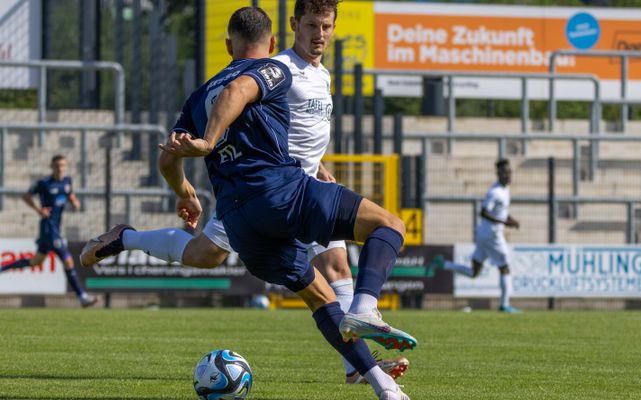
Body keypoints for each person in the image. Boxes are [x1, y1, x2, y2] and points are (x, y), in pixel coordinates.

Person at [81, 7, 412, 399]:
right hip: (282, 191)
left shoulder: (211, 90)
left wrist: (186, 192)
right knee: (387, 226)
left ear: (227, 46)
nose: (319, 34)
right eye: (311, 25)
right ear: (280, 37)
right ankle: (365, 316)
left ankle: (377, 381)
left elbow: (170, 155)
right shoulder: (278, 68)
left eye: (325, 27)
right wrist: (207, 142)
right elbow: (237, 93)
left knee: (322, 283)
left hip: (250, 204)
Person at [1, 155, 97, 308]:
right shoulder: (44, 183)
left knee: (36, 261)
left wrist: (74, 201)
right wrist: (39, 209)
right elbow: (26, 196)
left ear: (66, 166)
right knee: (68, 260)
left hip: (56, 228)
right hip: (48, 228)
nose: (60, 168)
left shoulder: (67, 182)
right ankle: (82, 297)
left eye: (63, 165)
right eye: (57, 165)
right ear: (52, 167)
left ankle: (2, 268)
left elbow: (69, 193)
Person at [429, 159, 521, 313]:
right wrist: (505, 222)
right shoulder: (495, 192)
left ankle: (443, 264)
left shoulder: (505, 190)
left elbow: (500, 211)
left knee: (474, 272)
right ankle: (504, 305)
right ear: (498, 173)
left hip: (484, 234)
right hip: (492, 235)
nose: (508, 174)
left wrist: (509, 219)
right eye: (505, 172)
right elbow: (484, 212)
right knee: (505, 267)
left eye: (510, 171)